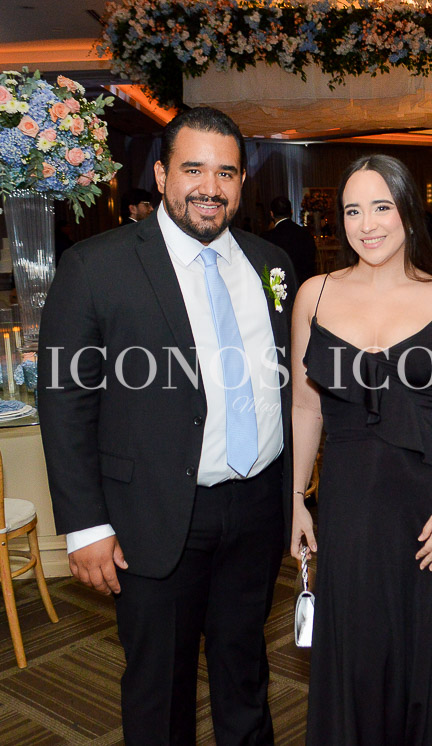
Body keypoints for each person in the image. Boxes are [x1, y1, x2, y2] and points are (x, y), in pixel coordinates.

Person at [38, 107, 297, 745]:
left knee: (246, 674)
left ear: (242, 183)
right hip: (152, 512)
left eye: (226, 173)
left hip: (256, 509)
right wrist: (86, 524)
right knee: (161, 689)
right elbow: (65, 401)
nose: (210, 187)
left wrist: (293, 498)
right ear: (161, 175)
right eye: (193, 169)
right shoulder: (96, 266)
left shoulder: (270, 263)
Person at [290, 154, 432, 744]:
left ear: (407, 212)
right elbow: (305, 407)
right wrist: (297, 499)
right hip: (350, 508)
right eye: (353, 210)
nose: (368, 224)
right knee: (358, 656)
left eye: (381, 207)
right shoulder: (313, 295)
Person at [260, 195, 318, 284]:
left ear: (272, 214)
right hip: (304, 285)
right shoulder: (305, 234)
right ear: (291, 211)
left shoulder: (266, 238)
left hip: (279, 287)